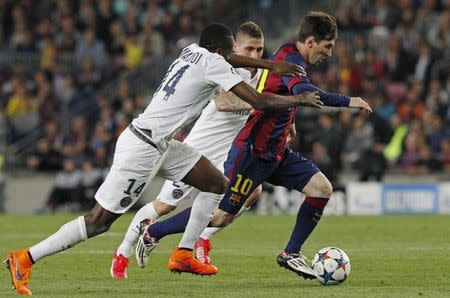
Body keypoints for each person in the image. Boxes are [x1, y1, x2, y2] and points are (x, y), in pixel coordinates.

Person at [4, 23, 322, 296]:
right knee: (98, 222)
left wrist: (271, 66)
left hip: (161, 142)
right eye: (229, 53)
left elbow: (229, 56)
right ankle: (26, 258)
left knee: (215, 183)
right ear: (220, 51)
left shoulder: (191, 49)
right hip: (143, 147)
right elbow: (258, 101)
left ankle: (184, 252)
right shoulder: (215, 62)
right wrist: (299, 99)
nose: (232, 59)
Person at [151, 12, 372, 278]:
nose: (329, 53)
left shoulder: (294, 56)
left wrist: (289, 123)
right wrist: (350, 100)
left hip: (276, 152)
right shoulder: (290, 60)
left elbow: (284, 96)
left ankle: (291, 253)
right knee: (220, 215)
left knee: (322, 188)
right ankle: (153, 232)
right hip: (253, 153)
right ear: (311, 41)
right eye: (327, 47)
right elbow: (306, 95)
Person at [111, 21, 272, 279]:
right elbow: (222, 101)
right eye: (249, 50)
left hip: (228, 154)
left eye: (259, 50)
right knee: (163, 206)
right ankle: (123, 251)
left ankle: (201, 240)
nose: (254, 56)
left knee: (252, 191)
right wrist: (261, 106)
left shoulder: (264, 76)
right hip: (199, 149)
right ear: (234, 49)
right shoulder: (223, 67)